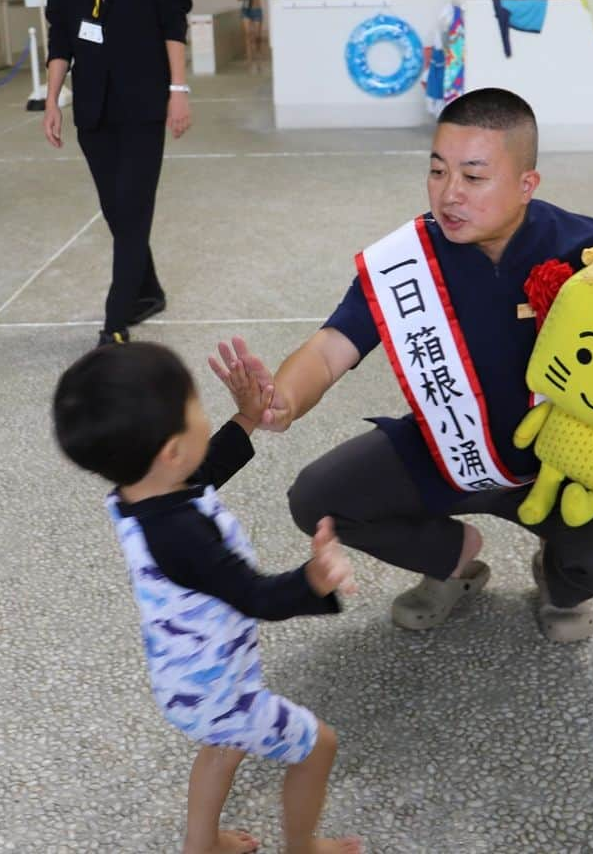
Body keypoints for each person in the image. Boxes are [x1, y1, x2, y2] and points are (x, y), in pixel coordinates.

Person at [214, 88, 593, 644]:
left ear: (526, 185)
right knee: (317, 499)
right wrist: (282, 400)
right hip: (450, 443)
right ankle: (455, 563)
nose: (449, 195)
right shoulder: (406, 263)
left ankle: (561, 581)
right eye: (437, 172)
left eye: (474, 176)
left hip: (560, 463)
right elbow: (329, 347)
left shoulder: (588, 251)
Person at [53, 341, 362, 854]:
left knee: (223, 747)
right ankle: (305, 846)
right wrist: (314, 579)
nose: (204, 413)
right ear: (172, 451)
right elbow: (254, 595)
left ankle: (202, 847)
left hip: (187, 678)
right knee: (316, 747)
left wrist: (245, 418)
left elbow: (201, 474)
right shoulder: (182, 536)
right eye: (197, 407)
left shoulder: (141, 493)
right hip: (222, 690)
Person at [43, 0, 192, 349]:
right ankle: (147, 291)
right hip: (94, 106)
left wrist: (179, 89)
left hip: (146, 100)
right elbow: (60, 33)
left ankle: (115, 322)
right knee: (117, 210)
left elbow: (174, 20)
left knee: (133, 207)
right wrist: (52, 99)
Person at [236, 0, 267, 65]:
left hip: (256, 9)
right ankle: (249, 57)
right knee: (248, 34)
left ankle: (258, 53)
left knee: (257, 35)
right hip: (245, 10)